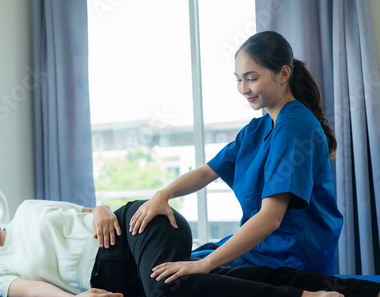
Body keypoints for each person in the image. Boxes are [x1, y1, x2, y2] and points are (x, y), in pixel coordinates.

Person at [0, 199, 380, 297]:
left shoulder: (27, 207)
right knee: (231, 276)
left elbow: (89, 211)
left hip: (138, 225)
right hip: (122, 273)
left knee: (168, 291)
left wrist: (102, 208)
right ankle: (364, 294)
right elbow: (35, 293)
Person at [130, 30, 343, 277]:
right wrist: (162, 195)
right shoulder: (257, 129)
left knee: (179, 277)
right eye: (238, 79)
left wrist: (205, 264)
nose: (243, 89)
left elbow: (271, 218)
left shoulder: (295, 126)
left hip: (290, 257)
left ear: (283, 74)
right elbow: (206, 172)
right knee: (166, 268)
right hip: (263, 249)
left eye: (251, 78)